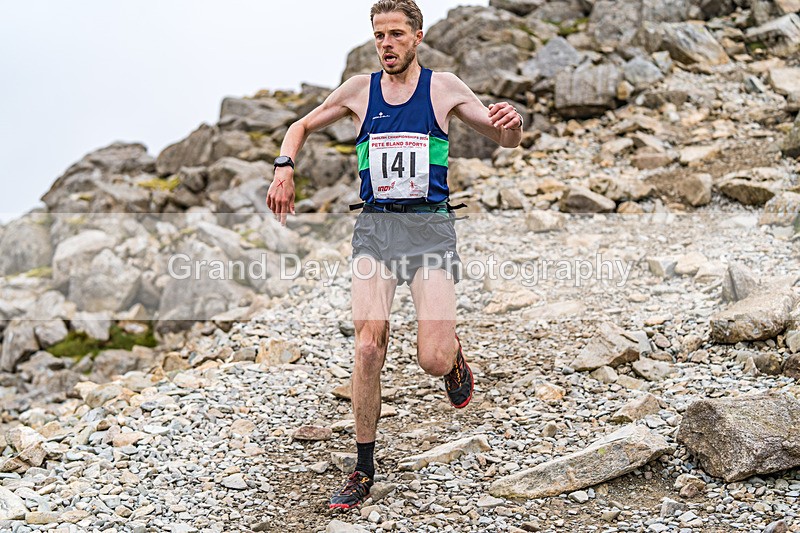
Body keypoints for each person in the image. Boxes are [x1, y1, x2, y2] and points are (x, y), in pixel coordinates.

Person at [266, 0, 523, 510]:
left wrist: (510, 123)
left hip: (429, 230)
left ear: (417, 37)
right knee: (367, 347)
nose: (387, 44)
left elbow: (504, 138)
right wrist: (284, 166)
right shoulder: (360, 91)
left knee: (431, 357)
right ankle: (362, 468)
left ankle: (453, 359)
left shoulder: (443, 87)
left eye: (396, 35)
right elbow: (301, 125)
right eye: (379, 35)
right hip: (377, 230)